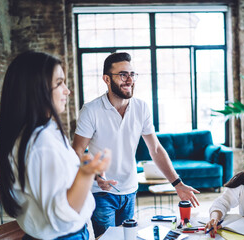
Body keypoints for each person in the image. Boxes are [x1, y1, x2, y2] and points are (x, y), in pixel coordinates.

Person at [72, 52, 200, 237]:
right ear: (106, 79)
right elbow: (76, 150)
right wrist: (95, 177)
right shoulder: (91, 110)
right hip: (101, 192)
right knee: (107, 238)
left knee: (128, 236)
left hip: (130, 190)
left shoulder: (141, 107)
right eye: (123, 74)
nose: (129, 79)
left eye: (132, 74)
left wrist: (177, 183)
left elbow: (155, 149)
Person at [0, 51, 111, 239]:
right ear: (35, 90)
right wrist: (87, 173)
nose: (67, 90)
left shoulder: (40, 133)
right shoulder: (41, 143)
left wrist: (85, 170)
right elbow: (61, 218)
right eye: (59, 83)